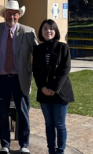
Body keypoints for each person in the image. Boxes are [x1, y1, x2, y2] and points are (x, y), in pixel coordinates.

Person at [0, 0, 38, 154]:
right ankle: (5, 145)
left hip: (19, 78)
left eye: (15, 14)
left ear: (19, 15)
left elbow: (38, 54)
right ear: (4, 15)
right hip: (1, 78)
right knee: (2, 112)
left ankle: (24, 144)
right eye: (8, 13)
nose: (11, 16)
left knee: (22, 112)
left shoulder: (28, 31)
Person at [32, 19, 74, 154]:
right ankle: (51, 149)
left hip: (60, 93)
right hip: (44, 92)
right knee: (49, 124)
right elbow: (36, 71)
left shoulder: (63, 47)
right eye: (45, 28)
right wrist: (42, 87)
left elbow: (65, 69)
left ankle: (60, 150)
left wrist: (55, 88)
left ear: (55, 31)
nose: (48, 31)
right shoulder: (37, 49)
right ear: (41, 31)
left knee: (60, 124)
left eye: (51, 28)